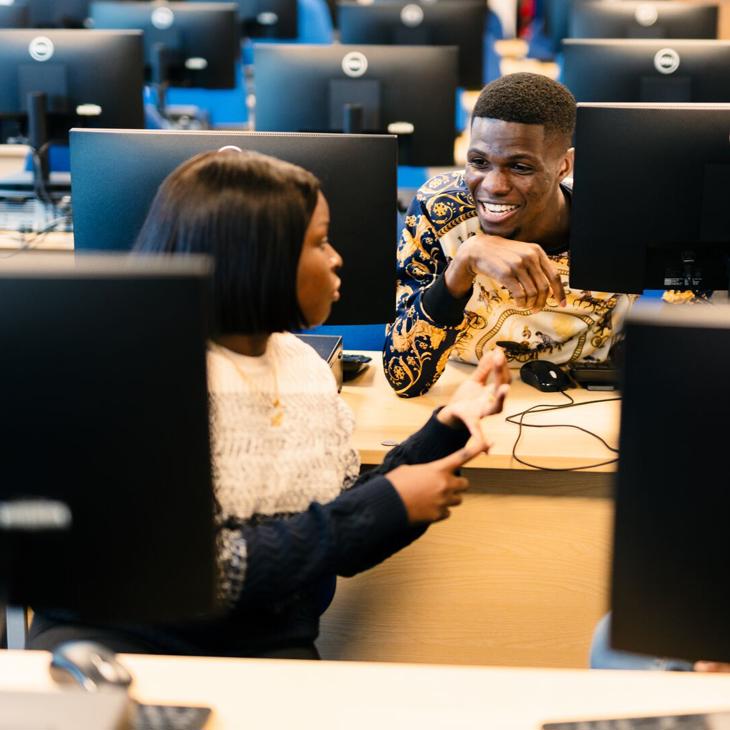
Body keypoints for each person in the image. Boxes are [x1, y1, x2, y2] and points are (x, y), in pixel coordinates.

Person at [28, 148, 510, 659]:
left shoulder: (299, 362)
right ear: (257, 259)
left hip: (268, 650)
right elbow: (205, 572)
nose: (336, 258)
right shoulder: (141, 378)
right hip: (133, 657)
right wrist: (384, 506)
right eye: (319, 243)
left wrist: (448, 426)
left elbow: (336, 523)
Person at [383, 72, 634, 397]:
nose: (493, 186)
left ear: (564, 165)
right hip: (466, 387)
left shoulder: (615, 217)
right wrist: (463, 265)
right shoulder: (440, 208)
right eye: (478, 162)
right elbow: (403, 377)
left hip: (583, 394)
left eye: (520, 167)